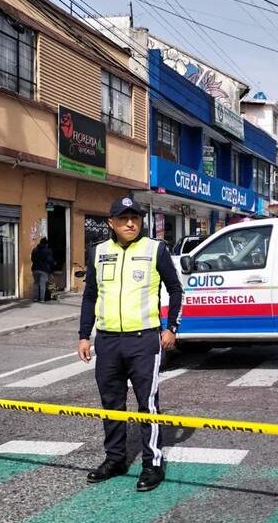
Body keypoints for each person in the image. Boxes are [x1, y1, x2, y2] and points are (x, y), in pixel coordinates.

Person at [78, 197, 184, 491]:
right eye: (123, 218)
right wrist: (84, 335)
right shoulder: (98, 252)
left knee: (146, 405)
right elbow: (90, 296)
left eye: (135, 218)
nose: (130, 223)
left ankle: (153, 464)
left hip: (143, 340)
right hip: (108, 341)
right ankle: (115, 459)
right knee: (111, 404)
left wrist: (171, 328)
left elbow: (176, 290)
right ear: (111, 222)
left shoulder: (155, 249)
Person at [30, 237, 55, 302]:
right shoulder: (48, 250)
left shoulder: (34, 250)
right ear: (46, 244)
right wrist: (51, 269)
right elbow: (50, 261)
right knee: (42, 284)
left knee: (36, 283)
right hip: (44, 270)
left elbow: (32, 259)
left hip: (35, 269)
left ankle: (35, 298)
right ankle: (42, 299)